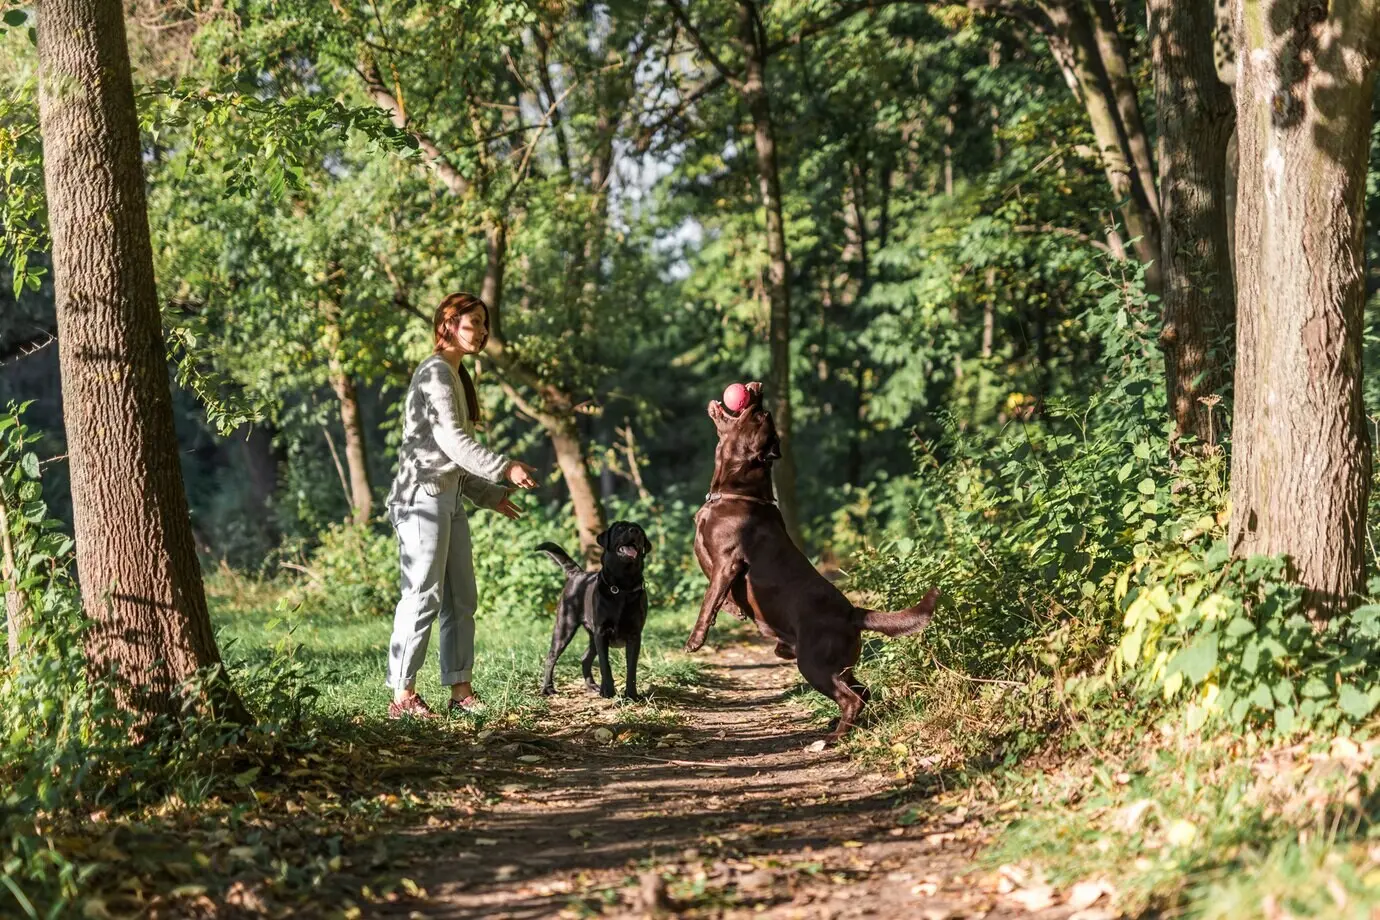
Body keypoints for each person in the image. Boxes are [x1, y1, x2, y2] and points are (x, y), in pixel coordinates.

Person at [384, 292, 538, 719]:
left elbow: (452, 459)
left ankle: (460, 691)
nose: (483, 331)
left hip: (447, 499)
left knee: (460, 598)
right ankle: (402, 696)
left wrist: (490, 496)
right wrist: (504, 468)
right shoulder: (435, 372)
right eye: (474, 323)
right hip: (420, 499)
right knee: (422, 595)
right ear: (448, 325)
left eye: (485, 324)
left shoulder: (455, 374)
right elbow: (454, 442)